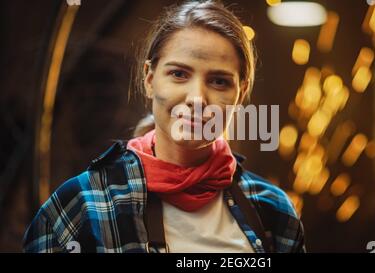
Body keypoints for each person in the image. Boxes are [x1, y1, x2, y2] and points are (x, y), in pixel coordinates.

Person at [23, 0, 305, 253]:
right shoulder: (82, 207)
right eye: (179, 74)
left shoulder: (272, 210)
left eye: (219, 81)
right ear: (149, 78)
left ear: (241, 93)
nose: (197, 98)